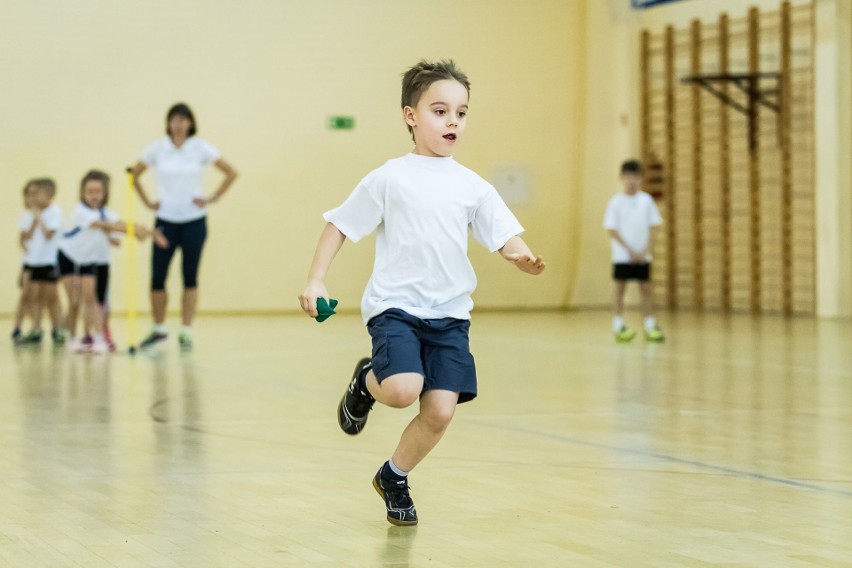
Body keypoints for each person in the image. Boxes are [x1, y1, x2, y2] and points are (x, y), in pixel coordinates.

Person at [298, 60, 545, 526]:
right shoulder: (390, 177)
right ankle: (367, 381)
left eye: (461, 113)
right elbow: (339, 226)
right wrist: (316, 279)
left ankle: (394, 475)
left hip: (451, 315)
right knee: (401, 390)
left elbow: (505, 234)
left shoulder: (473, 186)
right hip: (396, 308)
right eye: (440, 111)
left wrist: (522, 255)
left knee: (439, 412)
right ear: (411, 115)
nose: (453, 121)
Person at [130, 102, 238, 351]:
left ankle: (186, 330)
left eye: (183, 119)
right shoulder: (158, 148)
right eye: (174, 119)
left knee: (190, 277)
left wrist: (212, 197)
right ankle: (158, 329)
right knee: (158, 277)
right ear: (168, 123)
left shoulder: (199, 148)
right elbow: (133, 175)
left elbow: (231, 172)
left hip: (194, 221)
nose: (178, 124)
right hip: (165, 222)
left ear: (191, 123)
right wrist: (147, 202)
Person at [58, 170, 164, 354]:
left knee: (91, 298)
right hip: (68, 257)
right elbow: (108, 225)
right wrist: (133, 230)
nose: (94, 195)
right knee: (74, 300)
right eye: (89, 191)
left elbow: (118, 225)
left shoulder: (106, 213)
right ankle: (72, 337)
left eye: (98, 191)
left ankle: (98, 337)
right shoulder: (80, 212)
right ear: (82, 192)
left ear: (105, 193)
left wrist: (147, 232)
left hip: (89, 260)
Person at [603, 159, 664, 343]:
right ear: (622, 178)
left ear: (641, 179)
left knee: (646, 290)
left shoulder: (646, 201)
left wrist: (644, 250)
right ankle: (618, 326)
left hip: (642, 255)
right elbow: (612, 229)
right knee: (619, 290)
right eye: (628, 177)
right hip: (622, 256)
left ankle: (650, 326)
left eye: (635, 177)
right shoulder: (615, 202)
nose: (632, 181)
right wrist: (629, 251)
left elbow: (654, 227)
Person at [14, 179, 64, 345]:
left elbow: (48, 234)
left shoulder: (54, 211)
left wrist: (39, 217)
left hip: (49, 260)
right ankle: (36, 329)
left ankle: (58, 329)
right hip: (32, 262)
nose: (34, 197)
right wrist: (34, 218)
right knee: (33, 297)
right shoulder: (28, 215)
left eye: (37, 193)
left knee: (51, 297)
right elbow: (24, 238)